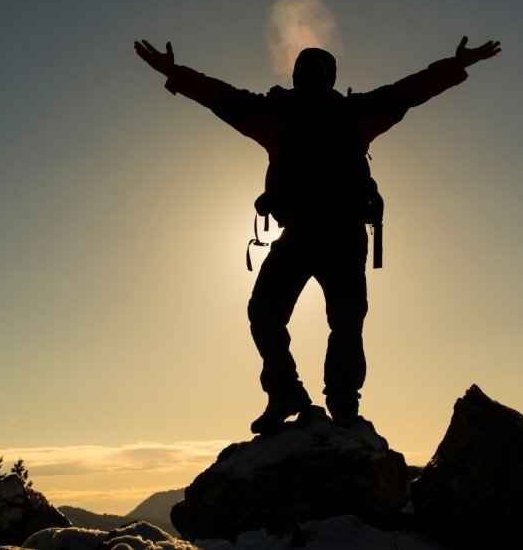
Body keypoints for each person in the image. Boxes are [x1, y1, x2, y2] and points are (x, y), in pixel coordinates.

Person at [134, 36, 500, 432]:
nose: (305, 77)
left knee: (290, 316)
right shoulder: (347, 112)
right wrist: (174, 73)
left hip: (314, 236)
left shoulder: (281, 113)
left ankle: (308, 398)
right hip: (334, 237)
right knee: (321, 320)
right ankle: (327, 403)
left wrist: (175, 74)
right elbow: (406, 92)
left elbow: (222, 98)